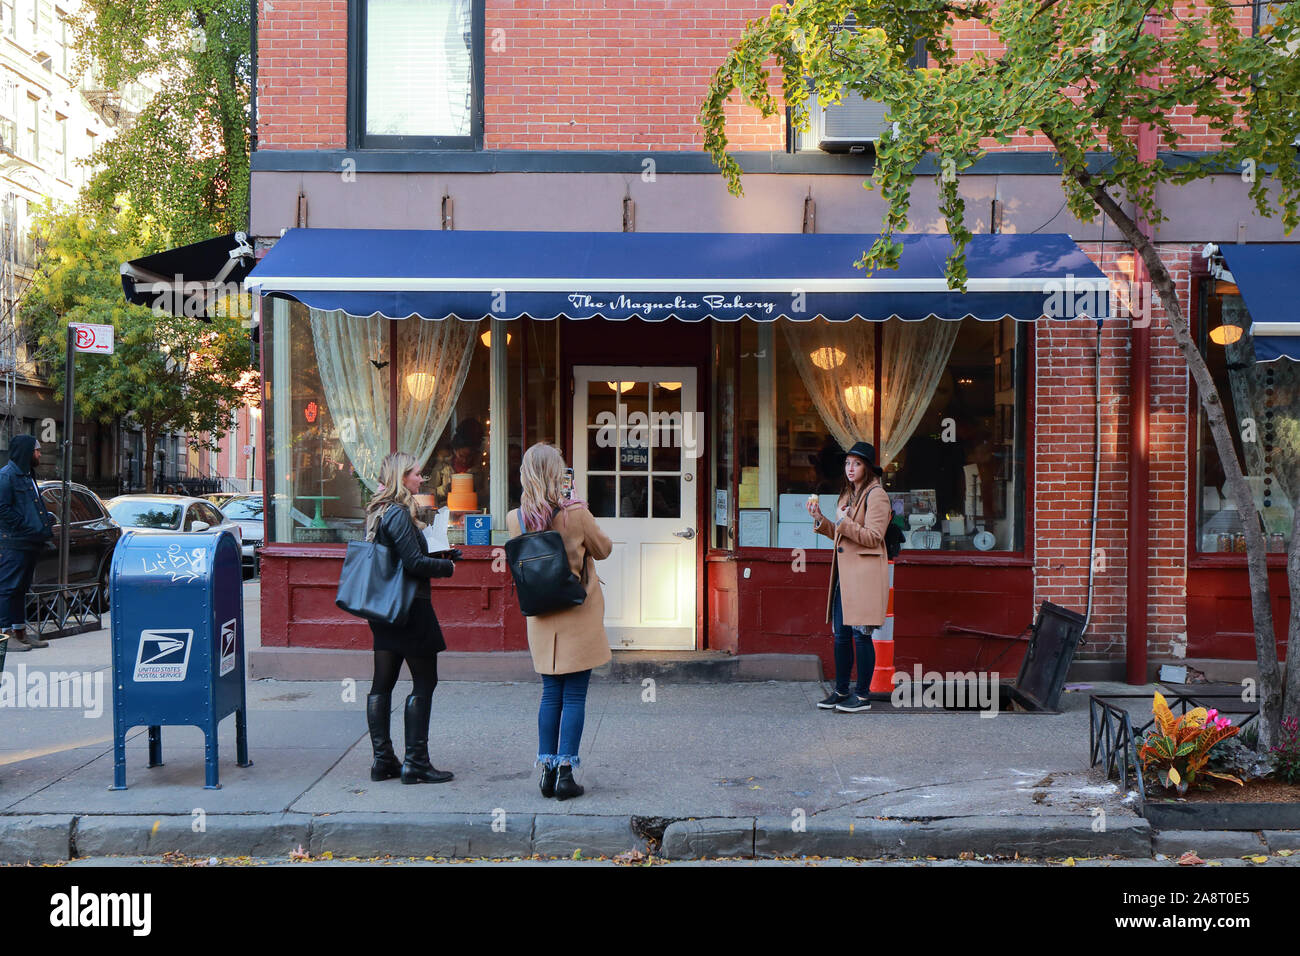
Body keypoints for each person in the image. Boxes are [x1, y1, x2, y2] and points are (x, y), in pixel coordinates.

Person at [506, 443, 613, 801]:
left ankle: (547, 771)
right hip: (576, 613)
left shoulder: (514, 519)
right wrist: (579, 507)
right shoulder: (575, 516)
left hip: (540, 615)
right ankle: (566, 773)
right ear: (558, 475)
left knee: (550, 693)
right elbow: (603, 549)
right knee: (576, 694)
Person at [362, 451, 460, 784]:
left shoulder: (377, 511)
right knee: (424, 682)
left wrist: (441, 554)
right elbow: (414, 563)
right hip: (410, 609)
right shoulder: (398, 513)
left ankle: (383, 761)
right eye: (416, 474)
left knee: (382, 684)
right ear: (402, 477)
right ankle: (416, 763)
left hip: (384, 609)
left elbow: (403, 557)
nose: (421, 479)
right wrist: (448, 566)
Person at [806, 441, 891, 713]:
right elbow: (843, 533)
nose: (850, 468)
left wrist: (844, 523)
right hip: (845, 575)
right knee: (841, 635)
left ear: (867, 468)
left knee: (860, 635)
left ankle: (863, 696)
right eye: (847, 463)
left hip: (864, 575)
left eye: (856, 463)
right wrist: (822, 520)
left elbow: (874, 537)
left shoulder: (877, 495)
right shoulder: (847, 495)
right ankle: (842, 690)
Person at [0, 435, 55, 656]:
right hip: (14, 542)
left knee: (21, 589)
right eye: (37, 450)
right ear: (26, 451)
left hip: (30, 542)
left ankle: (20, 631)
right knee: (7, 588)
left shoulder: (27, 475)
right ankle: (5, 635)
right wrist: (25, 526)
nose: (40, 454)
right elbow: (2, 509)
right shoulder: (7, 476)